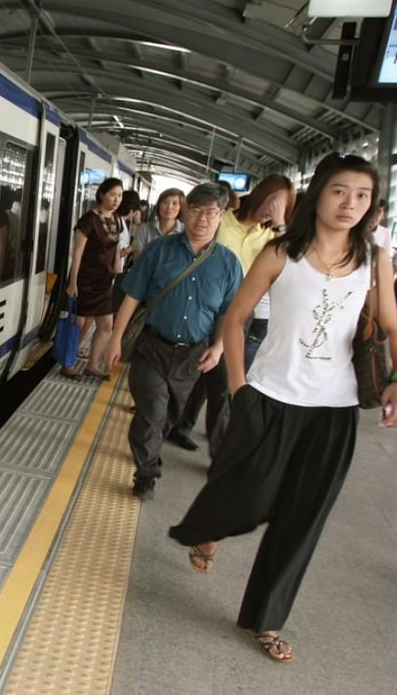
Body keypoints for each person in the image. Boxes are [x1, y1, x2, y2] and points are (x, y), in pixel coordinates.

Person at [168, 153, 397, 664]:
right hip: (269, 396)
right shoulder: (281, 252)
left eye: (362, 195)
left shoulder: (374, 259)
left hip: (333, 408)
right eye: (340, 191)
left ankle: (264, 618)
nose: (351, 204)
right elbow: (236, 318)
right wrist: (239, 386)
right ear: (318, 193)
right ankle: (210, 529)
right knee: (250, 492)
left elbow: (390, 323)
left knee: (302, 517)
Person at [105, 183, 243, 501]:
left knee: (171, 415)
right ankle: (147, 473)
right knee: (152, 412)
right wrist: (115, 340)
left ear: (221, 216)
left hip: (192, 354)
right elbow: (132, 297)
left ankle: (151, 450)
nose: (202, 219)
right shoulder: (158, 251)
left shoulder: (228, 264)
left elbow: (229, 315)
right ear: (186, 211)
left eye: (211, 213)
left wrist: (219, 347)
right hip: (151, 347)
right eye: (195, 211)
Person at [170, 176, 294, 452]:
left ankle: (218, 450)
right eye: (272, 201)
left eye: (282, 205)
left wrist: (280, 222)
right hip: (203, 306)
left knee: (223, 382)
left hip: (239, 314)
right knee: (202, 373)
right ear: (260, 194)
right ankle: (180, 426)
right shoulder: (224, 220)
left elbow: (295, 262)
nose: (273, 208)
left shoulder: (272, 237)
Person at [63, 178, 125, 379]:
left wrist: (117, 263)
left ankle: (92, 365)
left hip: (105, 279)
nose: (117, 200)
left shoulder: (116, 219)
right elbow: (78, 252)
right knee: (78, 324)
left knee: (106, 324)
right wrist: (73, 282)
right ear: (102, 195)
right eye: (113, 195)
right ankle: (68, 363)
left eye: (120, 195)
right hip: (85, 279)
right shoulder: (88, 220)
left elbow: (115, 244)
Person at [130, 187, 185, 261]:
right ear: (159, 205)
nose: (169, 207)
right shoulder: (144, 229)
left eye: (174, 203)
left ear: (181, 207)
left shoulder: (185, 232)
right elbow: (138, 261)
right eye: (165, 202)